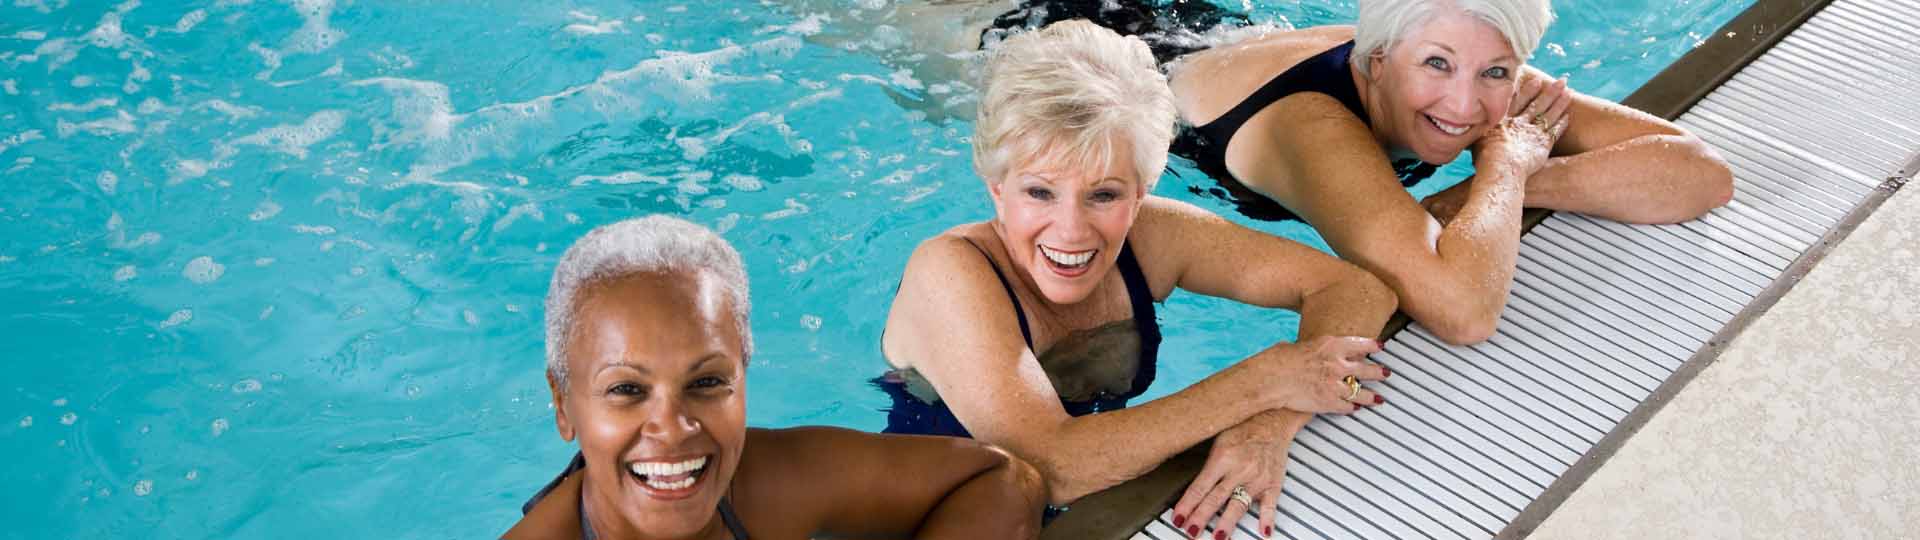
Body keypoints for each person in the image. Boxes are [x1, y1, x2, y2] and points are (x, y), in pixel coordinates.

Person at [878, 21, 1398, 540]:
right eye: (1039, 193)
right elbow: (1053, 468)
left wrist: (1268, 425)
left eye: (1103, 195)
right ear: (996, 187)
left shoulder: (1151, 237)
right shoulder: (950, 272)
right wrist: (1262, 381)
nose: (1071, 230)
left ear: (1143, 188)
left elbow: (1357, 290)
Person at [973, 0, 1735, 345]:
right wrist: (1503, 164)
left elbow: (1699, 172)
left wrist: (1507, 181)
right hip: (1040, 39)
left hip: (1188, 24)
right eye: (1435, 66)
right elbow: (1464, 312)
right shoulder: (1318, 129)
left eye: (1496, 74)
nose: (1465, 103)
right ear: (1379, 62)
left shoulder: (1460, 58)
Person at [508, 216, 1047, 540]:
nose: (672, 429)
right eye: (627, 390)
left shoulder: (765, 485)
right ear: (563, 404)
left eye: (706, 382)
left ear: (743, 375)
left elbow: (1003, 479)